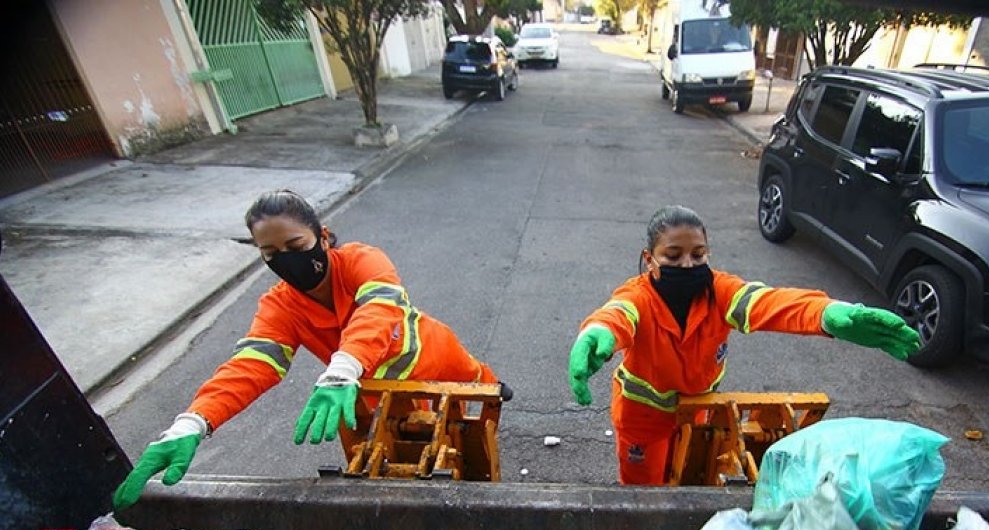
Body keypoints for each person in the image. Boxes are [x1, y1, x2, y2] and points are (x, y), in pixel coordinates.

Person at [113, 189, 500, 509]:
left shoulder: (362, 261)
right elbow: (251, 365)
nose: (287, 260)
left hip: (432, 360)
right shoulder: (280, 306)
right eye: (271, 253)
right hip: (364, 391)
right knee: (393, 460)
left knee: (478, 410)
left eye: (296, 245)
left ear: (324, 236)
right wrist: (193, 423)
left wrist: (341, 369)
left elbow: (380, 310)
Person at [567, 204, 921, 485]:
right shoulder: (639, 296)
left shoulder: (720, 292)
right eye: (672, 256)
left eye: (698, 254)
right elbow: (617, 314)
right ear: (649, 259)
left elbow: (768, 302)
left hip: (698, 413)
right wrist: (596, 333)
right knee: (643, 495)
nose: (687, 264)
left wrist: (828, 314)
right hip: (643, 419)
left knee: (690, 479)